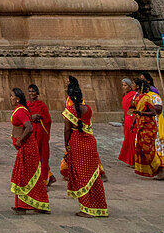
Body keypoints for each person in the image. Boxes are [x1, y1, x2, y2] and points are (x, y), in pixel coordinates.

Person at [63, 76, 108, 216]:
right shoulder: (88, 109)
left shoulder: (69, 111)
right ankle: (99, 207)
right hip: (90, 142)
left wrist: (66, 144)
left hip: (76, 142)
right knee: (94, 176)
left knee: (82, 176)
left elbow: (67, 129)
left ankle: (87, 209)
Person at [9, 87, 49, 214]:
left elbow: (29, 128)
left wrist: (20, 140)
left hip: (27, 146)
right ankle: (38, 204)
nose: (10, 98)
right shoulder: (21, 110)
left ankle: (23, 206)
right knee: (26, 175)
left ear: (18, 99)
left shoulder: (20, 111)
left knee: (23, 175)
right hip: (26, 146)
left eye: (12, 96)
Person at [130, 73, 164, 179]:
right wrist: (134, 123)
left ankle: (160, 168)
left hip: (153, 125)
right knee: (142, 148)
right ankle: (154, 169)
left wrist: (141, 113)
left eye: (134, 84)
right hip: (141, 126)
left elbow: (157, 110)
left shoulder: (152, 96)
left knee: (153, 148)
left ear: (139, 86)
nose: (132, 85)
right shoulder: (138, 97)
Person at [27, 84, 54, 185]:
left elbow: (48, 120)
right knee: (33, 155)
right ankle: (48, 175)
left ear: (37, 93)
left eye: (33, 91)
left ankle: (43, 179)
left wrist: (39, 118)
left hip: (40, 133)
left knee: (41, 155)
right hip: (31, 133)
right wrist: (31, 117)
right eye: (29, 91)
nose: (31, 93)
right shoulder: (27, 104)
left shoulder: (42, 105)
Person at [118, 77, 137, 167]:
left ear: (130, 86)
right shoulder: (125, 95)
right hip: (126, 119)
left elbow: (135, 107)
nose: (123, 87)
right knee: (128, 139)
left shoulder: (134, 95)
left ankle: (134, 160)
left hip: (132, 119)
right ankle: (130, 159)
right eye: (123, 85)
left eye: (125, 85)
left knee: (132, 140)